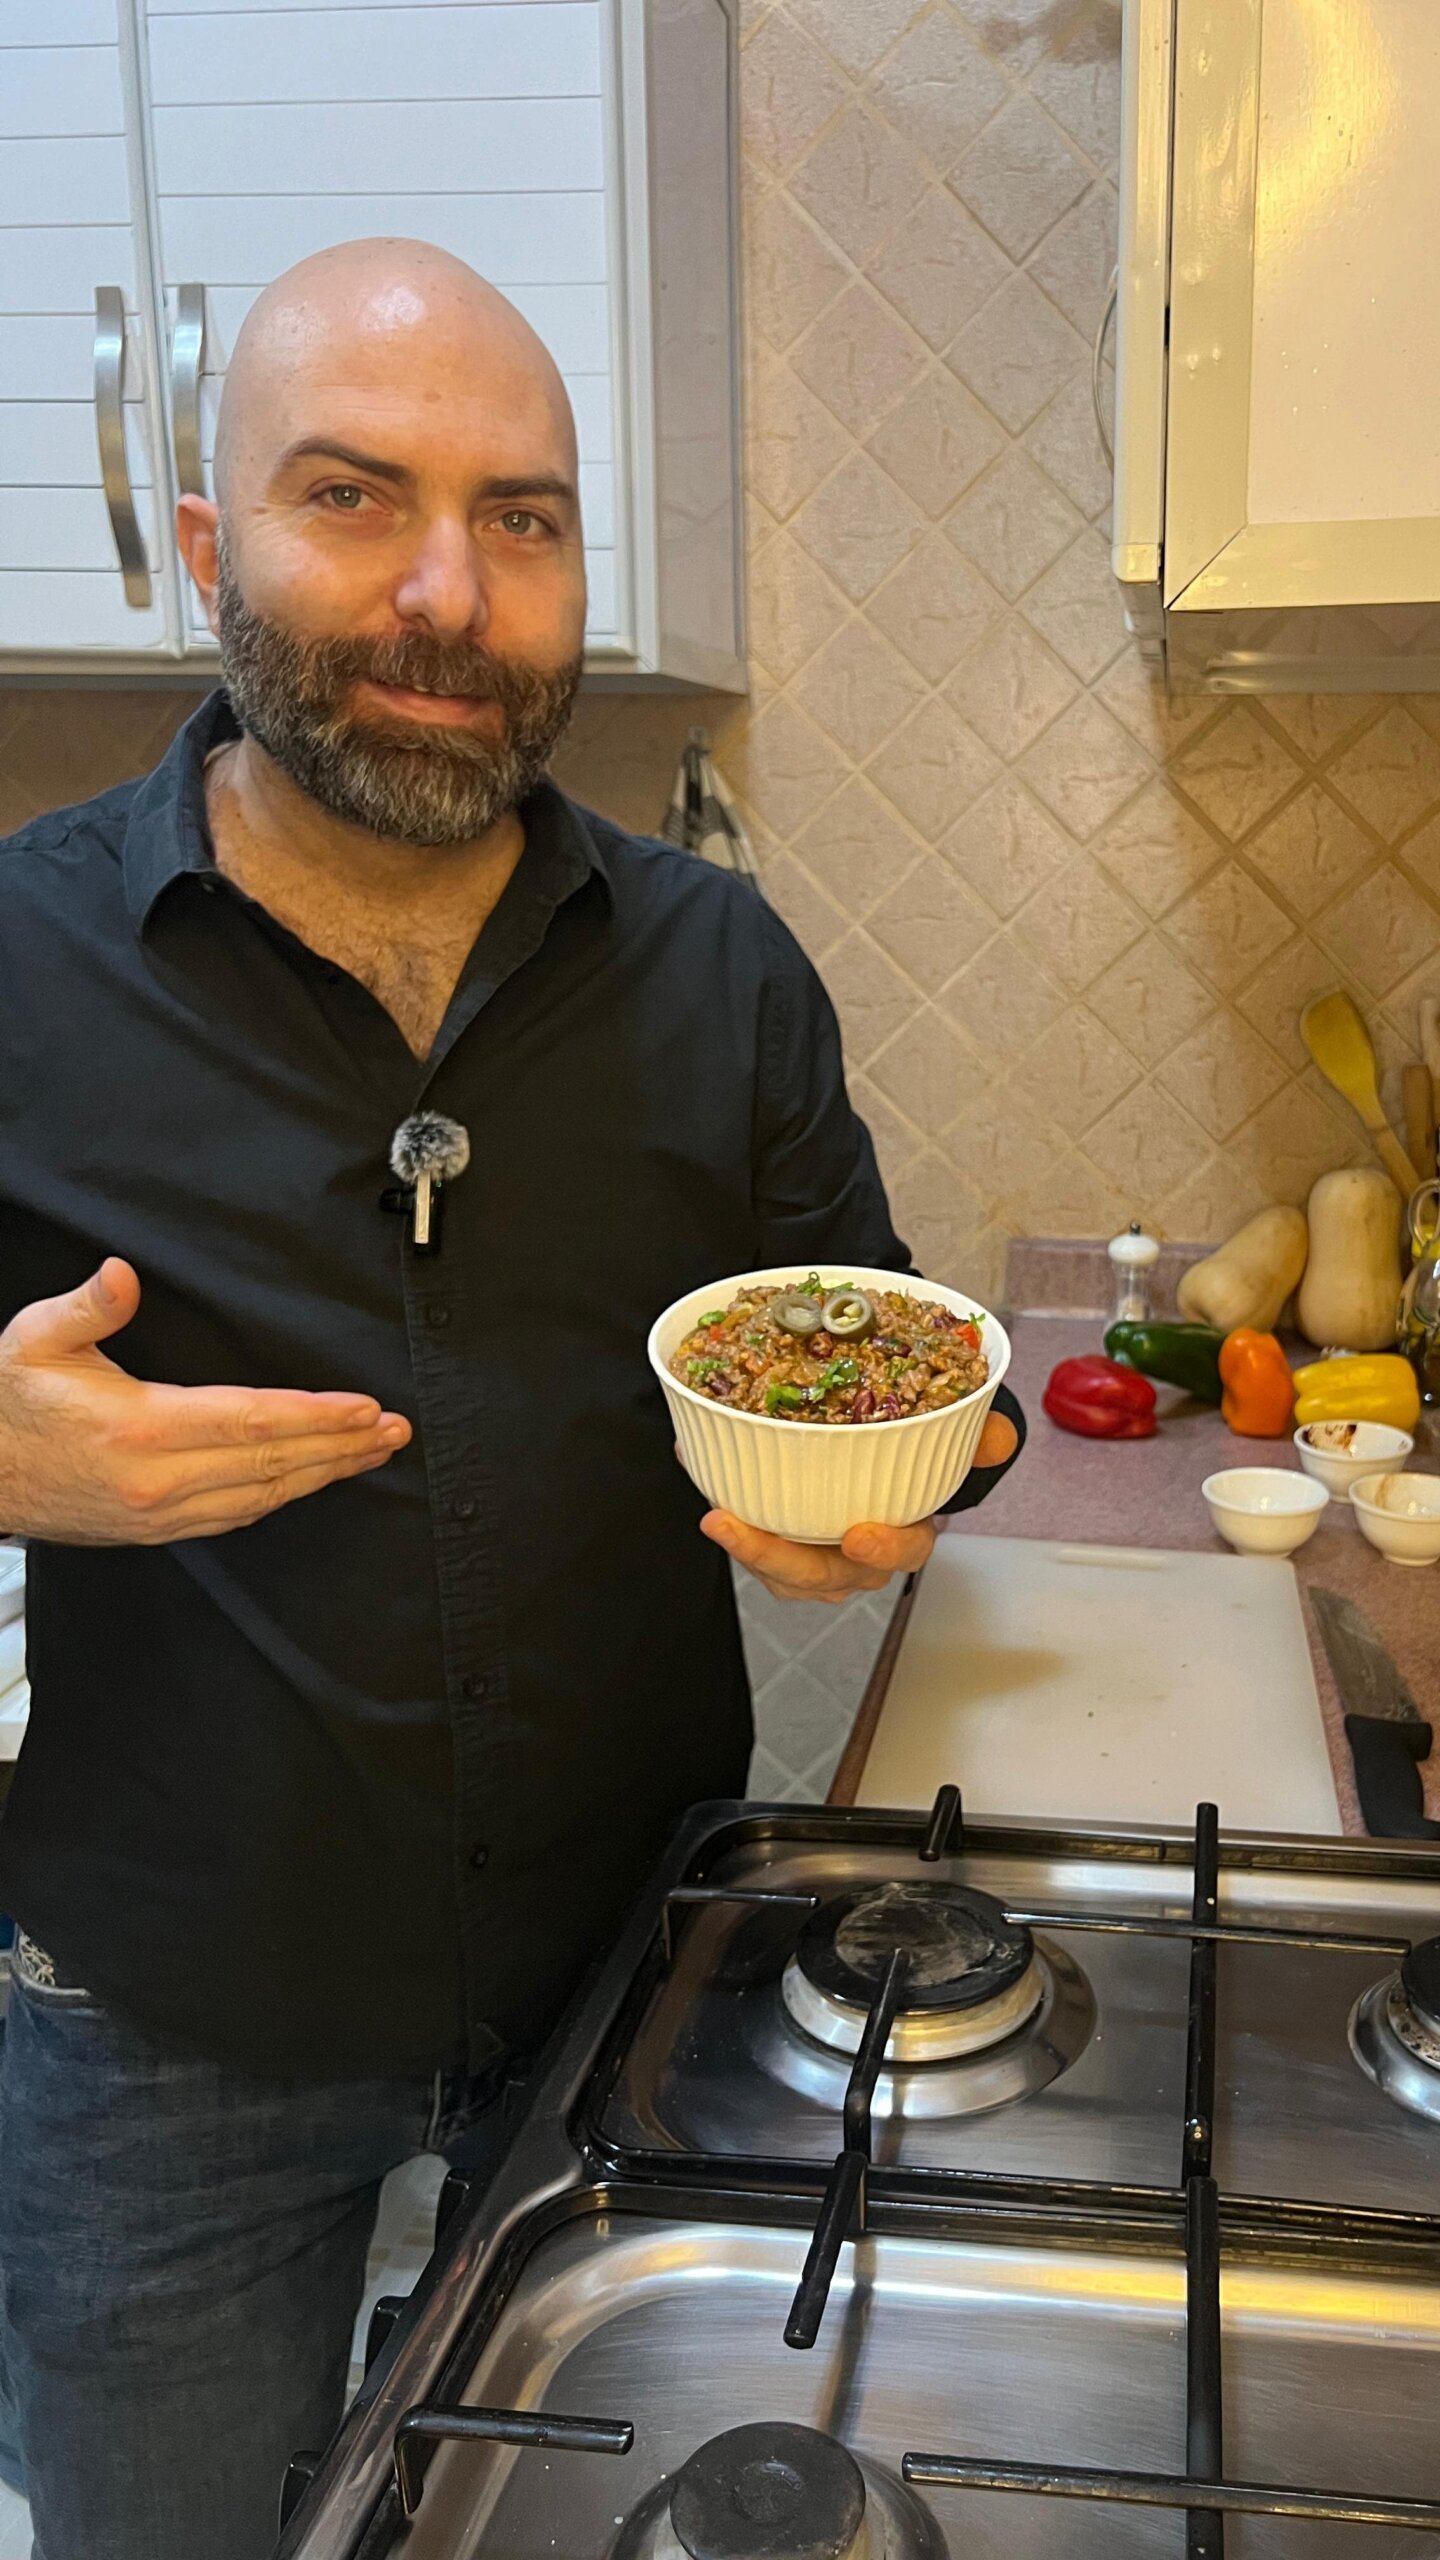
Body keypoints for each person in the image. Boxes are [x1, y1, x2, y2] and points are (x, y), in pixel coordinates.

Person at [0, 239, 1023, 2560]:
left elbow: (878, 1331)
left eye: (524, 519)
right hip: (164, 2025)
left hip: (632, 1984)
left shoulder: (717, 965)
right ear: (201, 544)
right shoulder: (19, 961)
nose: (448, 593)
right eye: (353, 497)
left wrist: (921, 1470)